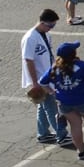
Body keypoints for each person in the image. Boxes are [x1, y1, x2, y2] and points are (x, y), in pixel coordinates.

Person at [19, 9, 70, 146]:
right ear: (42, 22)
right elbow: (28, 60)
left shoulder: (46, 35)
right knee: (51, 107)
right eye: (50, 26)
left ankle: (43, 134)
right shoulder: (30, 38)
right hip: (40, 79)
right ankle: (62, 135)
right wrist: (35, 83)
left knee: (43, 106)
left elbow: (49, 55)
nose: (51, 29)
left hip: (48, 76)